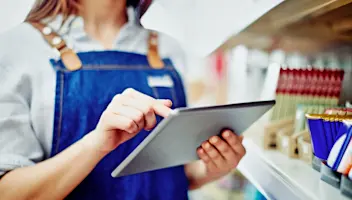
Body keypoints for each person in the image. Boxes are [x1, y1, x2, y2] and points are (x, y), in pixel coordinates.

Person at [0, 0, 246, 199]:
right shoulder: (17, 48)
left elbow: (174, 176)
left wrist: (212, 168)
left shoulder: (169, 49)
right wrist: (96, 145)